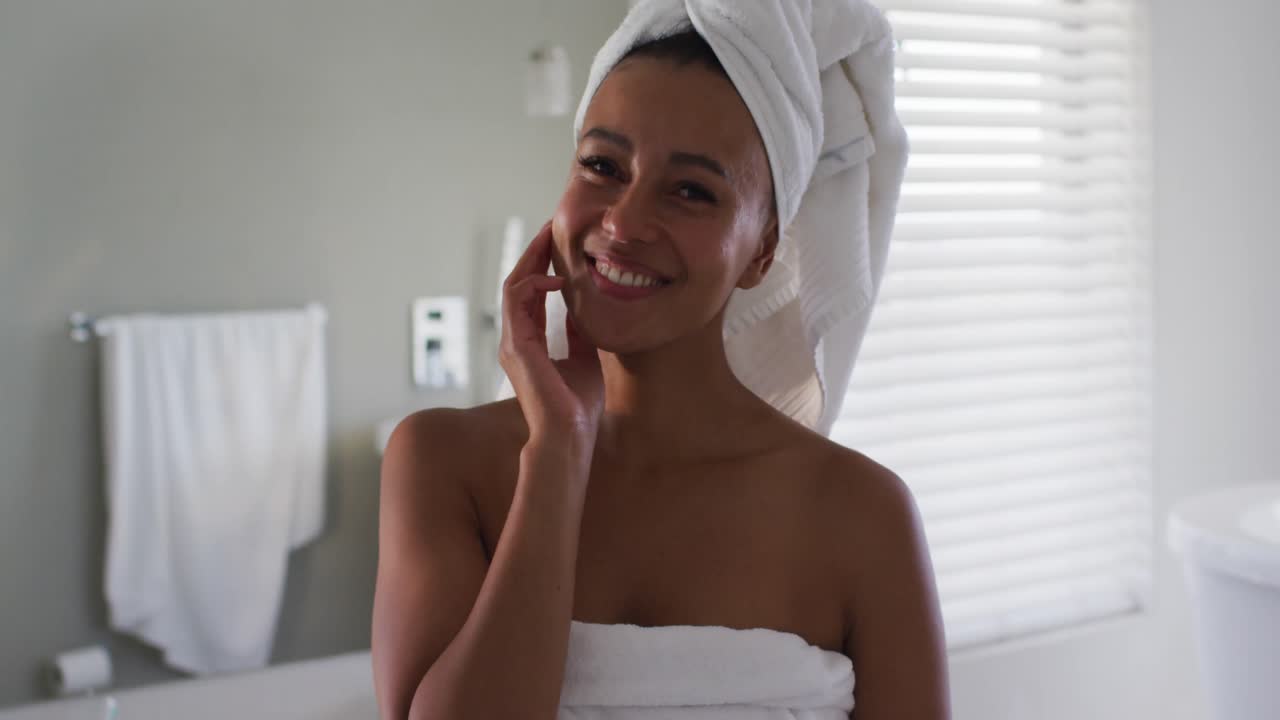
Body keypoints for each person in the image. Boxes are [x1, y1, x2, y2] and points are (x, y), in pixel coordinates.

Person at [372, 5, 948, 719]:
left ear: (763, 251)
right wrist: (556, 451)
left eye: (691, 191)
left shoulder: (863, 518)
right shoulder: (440, 462)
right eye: (603, 166)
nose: (622, 223)